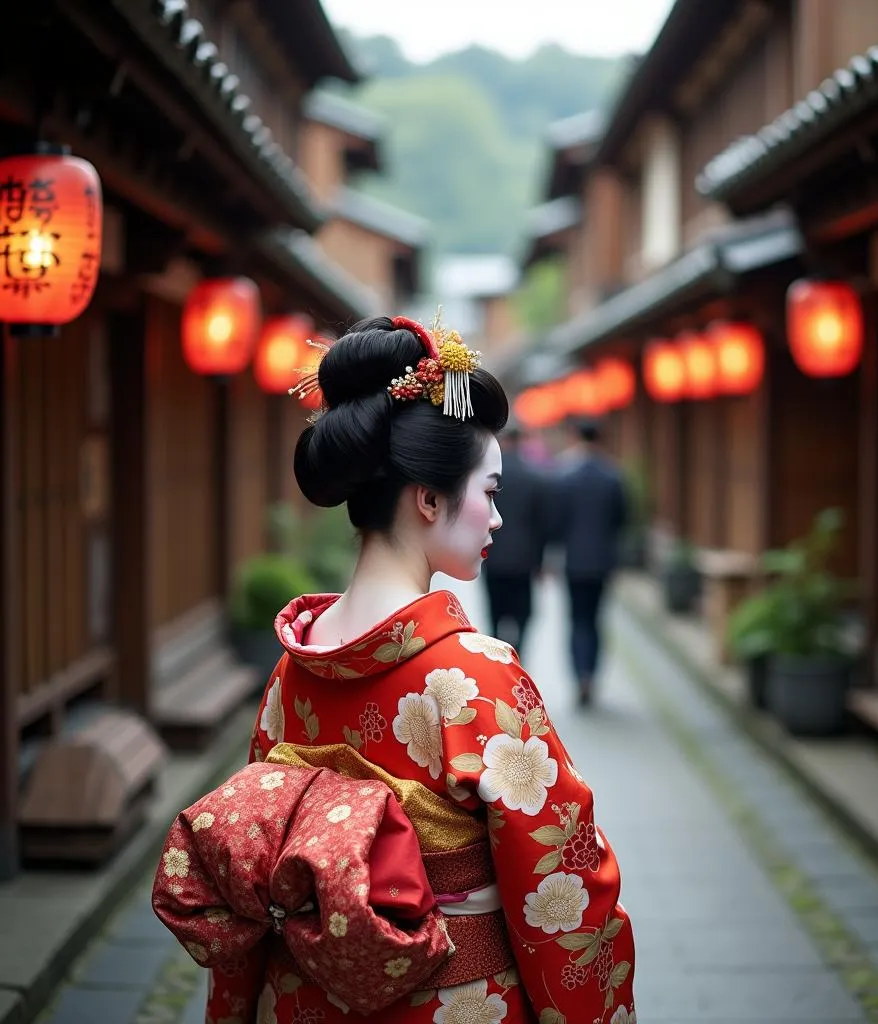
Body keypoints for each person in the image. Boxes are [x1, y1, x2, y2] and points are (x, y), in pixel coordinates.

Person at [191, 317, 636, 1024]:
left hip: (301, 997)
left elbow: (251, 874)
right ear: (428, 498)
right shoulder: (476, 679)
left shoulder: (292, 669)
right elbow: (563, 886)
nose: (496, 518)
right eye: (489, 493)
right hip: (450, 1001)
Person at [554, 419, 628, 708]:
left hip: (573, 559)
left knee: (576, 619)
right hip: (602, 559)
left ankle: (579, 675)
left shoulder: (564, 475)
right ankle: (591, 675)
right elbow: (622, 519)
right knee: (595, 618)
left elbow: (557, 521)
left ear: (575, 435)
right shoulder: (612, 475)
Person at [481, 422, 550, 651]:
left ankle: (495, 655)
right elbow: (542, 525)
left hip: (493, 553)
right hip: (524, 558)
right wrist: (540, 562)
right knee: (522, 614)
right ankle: (517, 655)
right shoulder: (533, 477)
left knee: (495, 613)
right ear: (520, 442)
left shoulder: (489, 478)